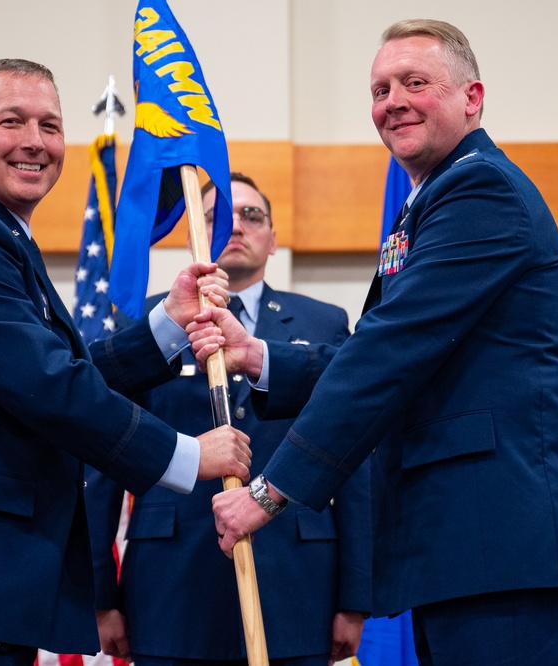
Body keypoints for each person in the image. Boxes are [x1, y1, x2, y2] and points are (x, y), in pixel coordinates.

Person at [202, 20, 558, 665]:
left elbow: (390, 352)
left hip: (502, 544)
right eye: (379, 89)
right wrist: (259, 356)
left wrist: (268, 491)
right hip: (462, 546)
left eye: (415, 83)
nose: (391, 100)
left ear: (472, 98)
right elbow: (390, 348)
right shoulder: (434, 199)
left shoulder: (480, 190)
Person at [0, 59, 252, 665]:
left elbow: (61, 369)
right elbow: (48, 387)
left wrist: (169, 322)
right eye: (12, 121)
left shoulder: (4, 239)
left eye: (50, 125)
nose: (35, 142)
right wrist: (188, 457)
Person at [84, 173, 372, 666]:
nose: (235, 226)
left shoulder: (323, 323)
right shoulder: (149, 322)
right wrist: (100, 595)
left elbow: (353, 456)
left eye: (251, 215)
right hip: (170, 589)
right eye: (217, 218)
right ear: (197, 234)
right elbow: (106, 453)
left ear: (274, 238)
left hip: (297, 585)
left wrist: (354, 597)